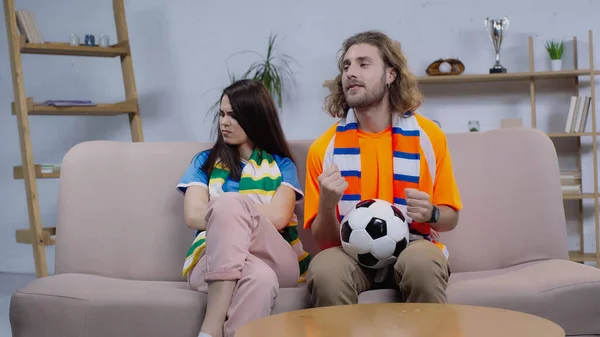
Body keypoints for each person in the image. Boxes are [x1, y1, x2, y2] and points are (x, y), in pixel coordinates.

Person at [303, 31, 463, 307]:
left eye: (363, 64)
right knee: (325, 270)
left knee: (423, 265)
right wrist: (328, 204)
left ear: (391, 74)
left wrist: (432, 212)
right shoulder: (323, 149)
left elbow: (450, 218)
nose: (351, 72)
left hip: (414, 246)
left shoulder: (429, 137)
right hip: (350, 253)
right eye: (346, 66)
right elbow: (325, 241)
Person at [177, 79, 311, 337]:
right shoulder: (204, 162)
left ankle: (210, 329)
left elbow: (280, 216)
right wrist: (233, 223)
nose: (224, 122)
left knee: (228, 203)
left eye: (234, 116)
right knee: (259, 279)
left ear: (255, 118)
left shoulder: (282, 166)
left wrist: (232, 215)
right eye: (222, 114)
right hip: (211, 260)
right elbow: (193, 215)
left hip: (275, 258)